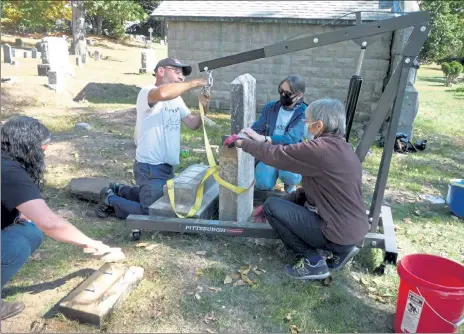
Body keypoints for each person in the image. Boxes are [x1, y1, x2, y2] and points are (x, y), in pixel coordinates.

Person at [224, 98, 369, 280]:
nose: (304, 125)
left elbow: (277, 154)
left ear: (318, 125)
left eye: (306, 121)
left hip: (337, 231)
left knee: (271, 207)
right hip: (353, 229)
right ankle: (342, 250)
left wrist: (241, 143)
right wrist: (285, 202)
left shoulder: (319, 149)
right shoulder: (344, 148)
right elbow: (310, 192)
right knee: (277, 205)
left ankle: (313, 261)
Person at [1, 116, 118, 320]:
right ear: (26, 145)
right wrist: (93, 243)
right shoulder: (9, 171)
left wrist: (14, 214)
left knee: (28, 228)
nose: (45, 150)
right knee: (22, 240)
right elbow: (50, 223)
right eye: (43, 145)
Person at [96, 58, 210, 219]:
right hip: (150, 167)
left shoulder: (176, 99)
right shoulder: (147, 92)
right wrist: (194, 83)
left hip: (166, 167)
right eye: (177, 72)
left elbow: (193, 123)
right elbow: (163, 93)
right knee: (152, 213)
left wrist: (204, 107)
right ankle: (110, 199)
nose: (181, 77)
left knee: (162, 201)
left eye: (183, 75)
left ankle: (121, 190)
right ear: (161, 71)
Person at [241, 75, 308, 193]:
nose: (282, 95)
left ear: (299, 96)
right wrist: (247, 133)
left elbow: (291, 139)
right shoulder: (270, 108)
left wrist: (264, 139)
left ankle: (289, 186)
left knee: (289, 175)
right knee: (262, 184)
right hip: (270, 153)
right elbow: (258, 128)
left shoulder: (305, 113)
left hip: (291, 154)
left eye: (287, 93)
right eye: (280, 90)